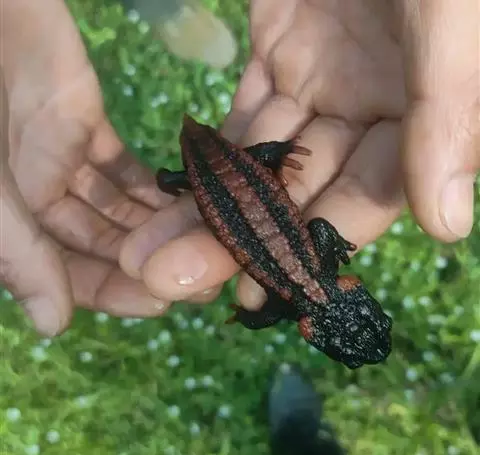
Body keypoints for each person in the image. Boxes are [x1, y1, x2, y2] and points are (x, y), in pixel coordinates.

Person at [0, 0, 478, 338]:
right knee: (180, 181)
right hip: (220, 178)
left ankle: (182, 167)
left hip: (238, 171)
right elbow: (260, 314)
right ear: (308, 329)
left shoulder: (323, 266)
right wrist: (243, 316)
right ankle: (172, 176)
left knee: (214, 174)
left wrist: (283, 160)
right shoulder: (283, 304)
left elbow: (321, 230)